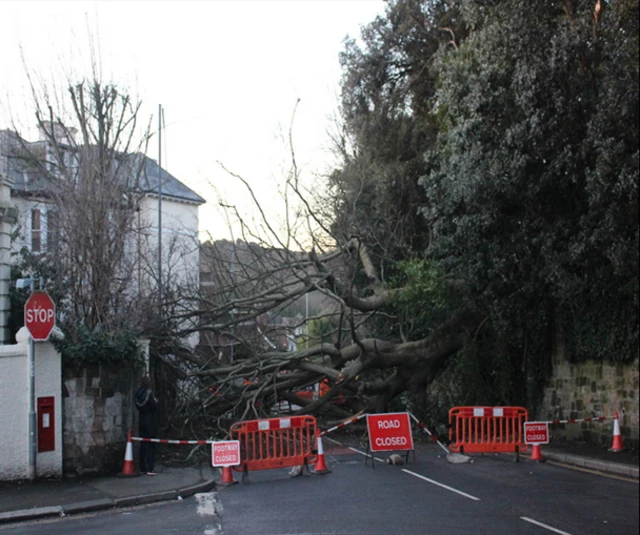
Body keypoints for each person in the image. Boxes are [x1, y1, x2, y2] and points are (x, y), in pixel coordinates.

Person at [135, 375, 158, 475]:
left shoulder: (137, 394)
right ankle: (150, 468)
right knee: (151, 445)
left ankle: (142, 467)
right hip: (150, 421)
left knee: (143, 444)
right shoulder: (149, 393)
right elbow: (154, 406)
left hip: (141, 419)